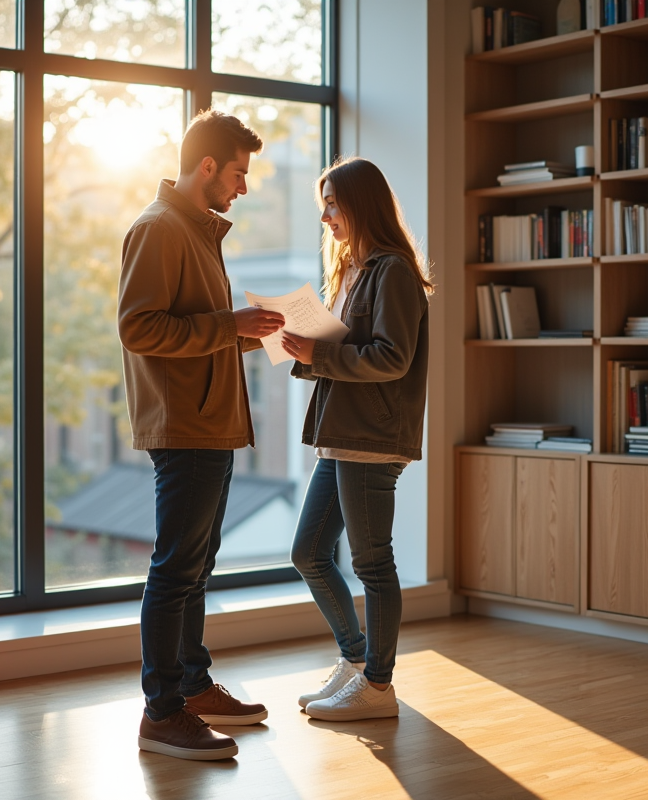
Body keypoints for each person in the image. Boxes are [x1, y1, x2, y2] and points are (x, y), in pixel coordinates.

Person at [118, 109, 286, 761]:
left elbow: (196, 329)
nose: (243, 189)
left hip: (209, 425)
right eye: (238, 174)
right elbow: (140, 329)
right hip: (185, 427)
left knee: (195, 566)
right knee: (176, 568)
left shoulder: (195, 231)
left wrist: (245, 332)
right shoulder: (159, 229)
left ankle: (190, 685)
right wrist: (229, 325)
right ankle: (162, 712)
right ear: (208, 166)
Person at [281, 156, 433, 722]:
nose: (325, 217)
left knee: (372, 563)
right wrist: (306, 348)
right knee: (309, 553)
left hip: (371, 439)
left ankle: (377, 685)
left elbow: (392, 358)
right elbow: (347, 351)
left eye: (332, 204)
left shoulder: (393, 271)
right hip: (343, 436)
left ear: (359, 204)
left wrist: (318, 352)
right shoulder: (354, 270)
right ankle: (355, 661)